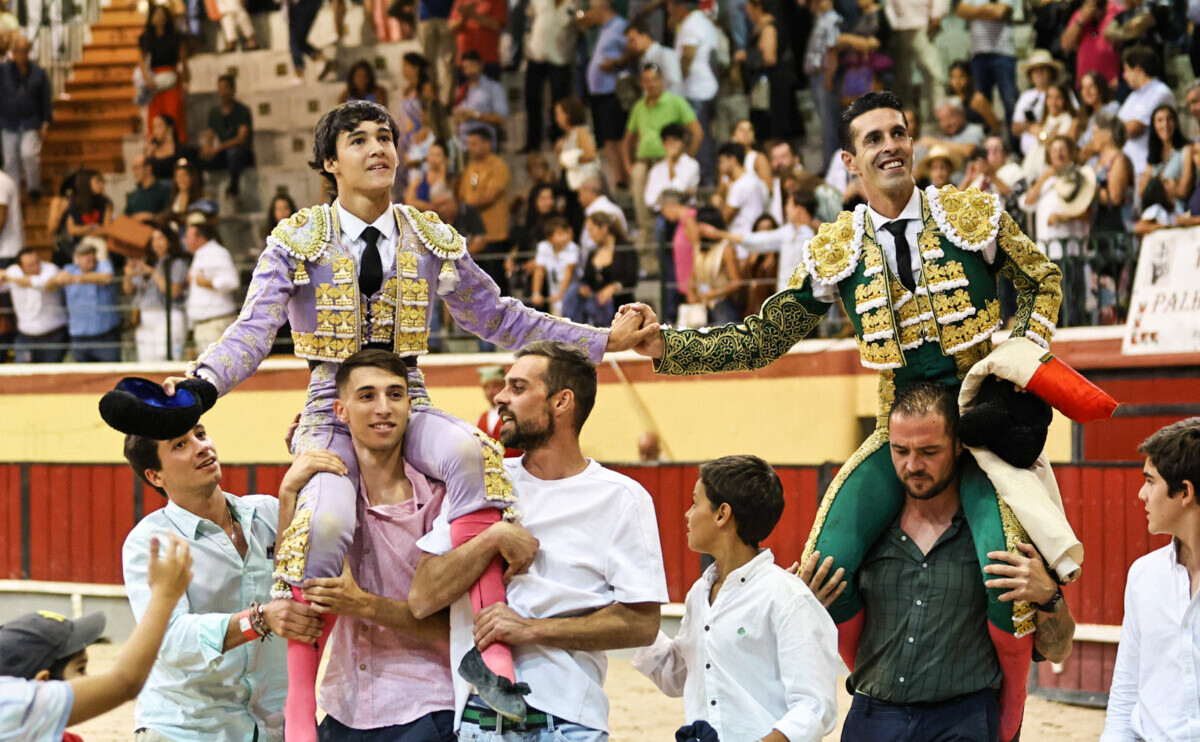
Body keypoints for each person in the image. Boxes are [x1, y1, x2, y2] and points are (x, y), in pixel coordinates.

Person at [160, 101, 644, 741]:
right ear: (331, 163)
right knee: (328, 520)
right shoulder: (296, 238)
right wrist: (200, 386)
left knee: (475, 455)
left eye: (385, 136)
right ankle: (303, 703)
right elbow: (253, 331)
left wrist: (602, 341)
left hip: (406, 395)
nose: (377, 148)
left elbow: (501, 317)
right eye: (358, 140)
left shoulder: (429, 236)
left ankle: (493, 656)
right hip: (328, 407)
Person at [620, 92, 1076, 742]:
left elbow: (1042, 278)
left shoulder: (969, 214)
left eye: (899, 132)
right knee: (823, 569)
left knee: (1008, 574)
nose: (890, 145)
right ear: (850, 162)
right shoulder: (837, 250)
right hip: (903, 436)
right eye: (873, 138)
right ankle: (882, 690)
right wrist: (668, 345)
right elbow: (762, 337)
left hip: (984, 430)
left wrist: (1021, 366)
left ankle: (1003, 728)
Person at [409, 340, 669, 741]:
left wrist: (531, 629)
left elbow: (642, 624)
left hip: (570, 718)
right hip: (480, 715)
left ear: (561, 402)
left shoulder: (622, 498)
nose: (500, 396)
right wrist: (492, 537)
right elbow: (423, 597)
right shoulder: (481, 482)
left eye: (517, 387)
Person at [805, 381, 1077, 741]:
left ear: (959, 445)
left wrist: (1049, 597)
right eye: (900, 450)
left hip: (961, 721)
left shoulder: (995, 535)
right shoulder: (863, 534)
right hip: (873, 715)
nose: (912, 465)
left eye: (929, 451)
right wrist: (808, 610)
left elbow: (1056, 649)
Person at [120, 420, 324, 741]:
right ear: (155, 476)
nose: (202, 446)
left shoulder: (270, 512)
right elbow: (169, 640)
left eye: (200, 434)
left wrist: (308, 448)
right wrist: (258, 619)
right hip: (187, 730)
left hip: (273, 727)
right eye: (180, 445)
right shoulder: (150, 542)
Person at [292, 350, 457, 741]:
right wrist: (287, 494)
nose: (383, 408)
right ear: (341, 410)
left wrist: (363, 604)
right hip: (342, 707)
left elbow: (457, 626)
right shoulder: (325, 498)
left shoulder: (442, 501)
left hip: (426, 707)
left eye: (395, 394)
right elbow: (290, 581)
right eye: (367, 396)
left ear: (410, 404)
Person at [633, 455, 839, 742]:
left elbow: (815, 706)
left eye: (695, 503)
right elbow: (678, 675)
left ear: (722, 514)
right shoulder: (698, 594)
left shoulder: (786, 597)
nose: (687, 515)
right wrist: (632, 618)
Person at [0, 536, 192, 742]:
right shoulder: (11, 704)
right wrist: (165, 595)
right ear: (42, 684)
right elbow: (125, 682)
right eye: (81, 669)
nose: (91, 678)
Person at [1101, 417, 1200, 741]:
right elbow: (1127, 689)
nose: (1142, 494)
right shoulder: (1144, 575)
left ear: (1184, 492)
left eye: (1150, 481)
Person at [623, 63, 702, 240]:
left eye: (654, 79)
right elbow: (628, 139)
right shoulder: (639, 107)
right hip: (645, 161)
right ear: (641, 83)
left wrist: (686, 158)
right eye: (646, 80)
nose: (650, 84)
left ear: (662, 80)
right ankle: (647, 242)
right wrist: (629, 166)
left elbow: (697, 131)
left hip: (669, 160)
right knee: (641, 192)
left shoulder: (676, 102)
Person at [1020, 135, 1092, 327]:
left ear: (1070, 152)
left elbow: (1086, 210)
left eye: (1063, 150)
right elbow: (1027, 203)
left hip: (1070, 250)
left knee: (1071, 300)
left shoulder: (1079, 175)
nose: (1058, 155)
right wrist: (1045, 177)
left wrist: (1062, 217)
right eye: (1054, 151)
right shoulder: (1044, 180)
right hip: (1048, 252)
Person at [710, 189, 820, 293]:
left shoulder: (817, 235)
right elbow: (757, 240)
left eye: (789, 205)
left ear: (799, 210)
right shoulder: (788, 232)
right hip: (787, 298)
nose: (786, 209)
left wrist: (718, 233)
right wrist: (719, 234)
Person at [668, 0, 719, 185]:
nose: (669, 10)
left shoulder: (691, 24)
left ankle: (705, 179)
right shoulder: (702, 21)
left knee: (700, 135)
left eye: (671, 5)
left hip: (698, 89)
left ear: (680, 6)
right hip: (707, 86)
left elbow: (688, 55)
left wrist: (677, 80)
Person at [124, 222, 188, 362]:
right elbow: (128, 289)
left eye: (161, 238)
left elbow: (173, 292)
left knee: (165, 359)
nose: (157, 243)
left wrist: (153, 272)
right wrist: (128, 274)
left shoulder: (177, 263)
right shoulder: (148, 262)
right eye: (154, 239)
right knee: (146, 360)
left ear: (169, 241)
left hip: (167, 316)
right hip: (145, 318)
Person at [460, 125, 512, 296]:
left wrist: (470, 203)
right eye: (468, 144)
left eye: (474, 144)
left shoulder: (498, 166)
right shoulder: (471, 166)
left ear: (487, 144)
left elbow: (490, 195)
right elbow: (462, 194)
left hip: (494, 234)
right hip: (474, 235)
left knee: (497, 283)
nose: (470, 148)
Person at [583, 0, 629, 191]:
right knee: (607, 137)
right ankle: (619, 178)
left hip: (612, 90)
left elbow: (632, 49)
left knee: (615, 135)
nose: (589, 13)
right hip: (599, 91)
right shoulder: (603, 28)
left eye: (592, 9)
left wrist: (616, 63)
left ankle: (624, 177)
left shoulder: (620, 26)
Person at [0, 35, 52, 200]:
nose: (20, 55)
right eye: (17, 51)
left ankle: (34, 188)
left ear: (28, 52)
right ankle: (13, 194)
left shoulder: (38, 73)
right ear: (13, 53)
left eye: (23, 51)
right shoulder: (3, 71)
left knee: (28, 154)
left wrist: (46, 122)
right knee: (9, 160)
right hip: (9, 122)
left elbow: (45, 99)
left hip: (31, 121)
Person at [523, 0, 576, 152]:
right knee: (532, 98)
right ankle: (533, 142)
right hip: (537, 54)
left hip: (560, 57)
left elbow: (578, 24)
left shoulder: (573, 3)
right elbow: (530, 20)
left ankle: (559, 138)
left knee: (560, 101)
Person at [182, 211, 239, 353]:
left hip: (215, 324)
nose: (185, 241)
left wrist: (209, 283)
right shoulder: (200, 255)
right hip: (203, 325)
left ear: (200, 238)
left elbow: (232, 281)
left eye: (188, 237)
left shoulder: (216, 252)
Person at [957, 0, 1020, 127]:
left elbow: (999, 13)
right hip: (978, 54)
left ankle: (1014, 142)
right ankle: (986, 139)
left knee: (1010, 101)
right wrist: (988, 9)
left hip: (1003, 54)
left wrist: (974, 11)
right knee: (979, 102)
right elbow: (960, 10)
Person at [55, 241, 121, 362]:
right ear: (77, 258)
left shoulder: (103, 265)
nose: (90, 257)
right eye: (85, 254)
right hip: (79, 338)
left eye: (92, 253)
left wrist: (75, 279)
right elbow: (55, 280)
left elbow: (106, 278)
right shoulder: (69, 269)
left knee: (113, 375)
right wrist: (60, 278)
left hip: (105, 336)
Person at [1, 246, 68, 363]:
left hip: (52, 336)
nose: (36, 267)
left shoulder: (50, 269)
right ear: (21, 267)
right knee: (21, 375)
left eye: (37, 262)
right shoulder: (13, 271)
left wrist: (11, 278)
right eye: (30, 265)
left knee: (51, 375)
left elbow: (42, 284)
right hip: (25, 336)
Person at [1118, 45, 1175, 179]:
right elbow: (1116, 126)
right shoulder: (1133, 96)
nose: (1124, 76)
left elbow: (1134, 128)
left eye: (1126, 70)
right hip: (1127, 167)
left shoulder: (1161, 92)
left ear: (1138, 70)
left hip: (1145, 168)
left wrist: (1116, 130)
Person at [885, 0, 947, 119]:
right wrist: (894, 24)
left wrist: (936, 15)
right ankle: (904, 118)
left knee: (934, 74)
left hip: (924, 25)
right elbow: (889, 6)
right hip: (900, 28)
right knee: (902, 78)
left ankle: (940, 115)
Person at [137, 5, 188, 145]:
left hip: (171, 77)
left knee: (173, 114)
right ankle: (156, 146)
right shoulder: (146, 38)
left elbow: (183, 61)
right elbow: (142, 60)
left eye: (162, 14)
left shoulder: (176, 37)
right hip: (154, 80)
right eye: (156, 15)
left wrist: (185, 79)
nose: (159, 18)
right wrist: (147, 78)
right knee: (156, 115)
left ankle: (176, 145)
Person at [199, 74, 254, 200]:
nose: (222, 92)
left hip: (241, 152)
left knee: (233, 154)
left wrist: (218, 148)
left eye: (225, 88)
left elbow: (242, 139)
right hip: (223, 152)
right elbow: (210, 134)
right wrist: (208, 149)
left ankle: (234, 189)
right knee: (198, 155)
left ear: (233, 89)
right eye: (220, 88)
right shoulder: (214, 112)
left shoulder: (242, 111)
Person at [579, 211, 637, 326]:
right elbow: (586, 278)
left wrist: (613, 287)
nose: (590, 235)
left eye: (591, 230)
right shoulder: (592, 252)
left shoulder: (625, 249)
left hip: (618, 305)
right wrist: (584, 288)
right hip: (594, 305)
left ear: (604, 228)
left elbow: (631, 278)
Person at [642, 123, 701, 221]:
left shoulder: (692, 165)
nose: (672, 145)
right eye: (668, 142)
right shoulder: (656, 169)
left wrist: (670, 163)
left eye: (675, 141)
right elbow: (649, 199)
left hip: (684, 210)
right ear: (663, 144)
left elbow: (677, 189)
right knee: (661, 221)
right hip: (661, 213)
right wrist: (664, 205)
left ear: (682, 143)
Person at [717, 143, 767, 255]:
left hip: (742, 245)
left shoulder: (740, 185)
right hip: (749, 242)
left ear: (733, 160)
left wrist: (719, 202)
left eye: (721, 161)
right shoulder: (752, 180)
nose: (719, 167)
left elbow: (725, 218)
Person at [1061, 0, 1122, 90]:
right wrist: (1081, 20)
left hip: (1110, 86)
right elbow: (1065, 45)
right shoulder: (1080, 14)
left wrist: (1120, 79)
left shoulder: (1117, 12)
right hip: (1085, 88)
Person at [452, 51, 508, 147]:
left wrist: (475, 114)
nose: (469, 71)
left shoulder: (494, 88)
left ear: (481, 66)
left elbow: (501, 119)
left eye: (473, 66)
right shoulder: (461, 90)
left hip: (483, 144)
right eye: (466, 67)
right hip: (462, 143)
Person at [531, 215, 579, 316]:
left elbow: (568, 272)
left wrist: (561, 294)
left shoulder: (573, 248)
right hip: (554, 294)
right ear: (550, 238)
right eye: (560, 234)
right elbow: (539, 271)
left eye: (566, 233)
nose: (565, 237)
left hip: (571, 294)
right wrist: (536, 292)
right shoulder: (543, 247)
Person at [1140, 104, 1186, 205]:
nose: (1165, 124)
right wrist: (1167, 183)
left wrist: (1154, 183)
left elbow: (1183, 191)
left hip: (1176, 209)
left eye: (1169, 119)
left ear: (1176, 123)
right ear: (1154, 126)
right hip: (1153, 209)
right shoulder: (1153, 155)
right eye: (1160, 120)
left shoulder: (1185, 150)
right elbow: (1142, 190)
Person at [449, 0, 506, 80]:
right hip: (464, 62)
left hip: (488, 60)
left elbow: (497, 25)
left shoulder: (496, 1)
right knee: (464, 91)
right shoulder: (460, 1)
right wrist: (463, 19)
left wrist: (474, 15)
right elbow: (451, 27)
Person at [623, 20, 683, 96]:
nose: (630, 45)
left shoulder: (666, 54)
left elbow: (674, 85)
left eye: (632, 40)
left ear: (645, 36)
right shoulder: (642, 60)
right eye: (628, 43)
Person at [287, 0, 336, 84]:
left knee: (294, 39)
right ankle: (320, 59)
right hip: (314, 3)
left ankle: (299, 73)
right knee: (299, 39)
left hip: (299, 4)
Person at [948, 60, 1002, 134]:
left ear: (969, 78)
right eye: (953, 77)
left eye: (961, 76)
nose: (957, 81)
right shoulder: (949, 102)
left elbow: (995, 124)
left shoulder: (977, 99)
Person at [125, 155, 172, 221]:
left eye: (137, 168)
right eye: (133, 169)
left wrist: (150, 216)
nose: (134, 173)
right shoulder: (133, 195)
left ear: (148, 168)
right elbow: (126, 218)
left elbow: (169, 214)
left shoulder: (164, 190)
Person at [145, 114, 184, 182]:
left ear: (169, 128)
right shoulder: (151, 150)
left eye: (159, 126)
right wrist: (149, 155)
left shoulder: (180, 149)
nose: (156, 131)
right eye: (154, 127)